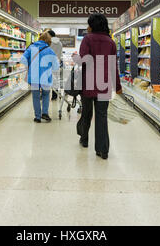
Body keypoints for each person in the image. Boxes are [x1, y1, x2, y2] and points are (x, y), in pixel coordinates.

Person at [74, 13, 122, 160]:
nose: (87, 27)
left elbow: (83, 61)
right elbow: (114, 66)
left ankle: (84, 139)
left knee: (86, 113)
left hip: (88, 83)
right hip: (104, 84)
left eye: (89, 24)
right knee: (101, 117)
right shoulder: (111, 42)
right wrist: (118, 86)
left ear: (92, 25)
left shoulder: (87, 39)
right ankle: (103, 150)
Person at [21, 31, 59, 123]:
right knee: (46, 94)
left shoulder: (31, 47)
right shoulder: (50, 50)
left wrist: (30, 65)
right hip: (45, 77)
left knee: (36, 96)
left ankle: (37, 117)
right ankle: (44, 112)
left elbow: (23, 60)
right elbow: (56, 66)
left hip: (34, 76)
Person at [48, 30, 63, 100]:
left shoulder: (50, 43)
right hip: (57, 64)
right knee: (55, 81)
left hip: (50, 64)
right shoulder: (59, 43)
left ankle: (48, 95)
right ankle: (55, 95)